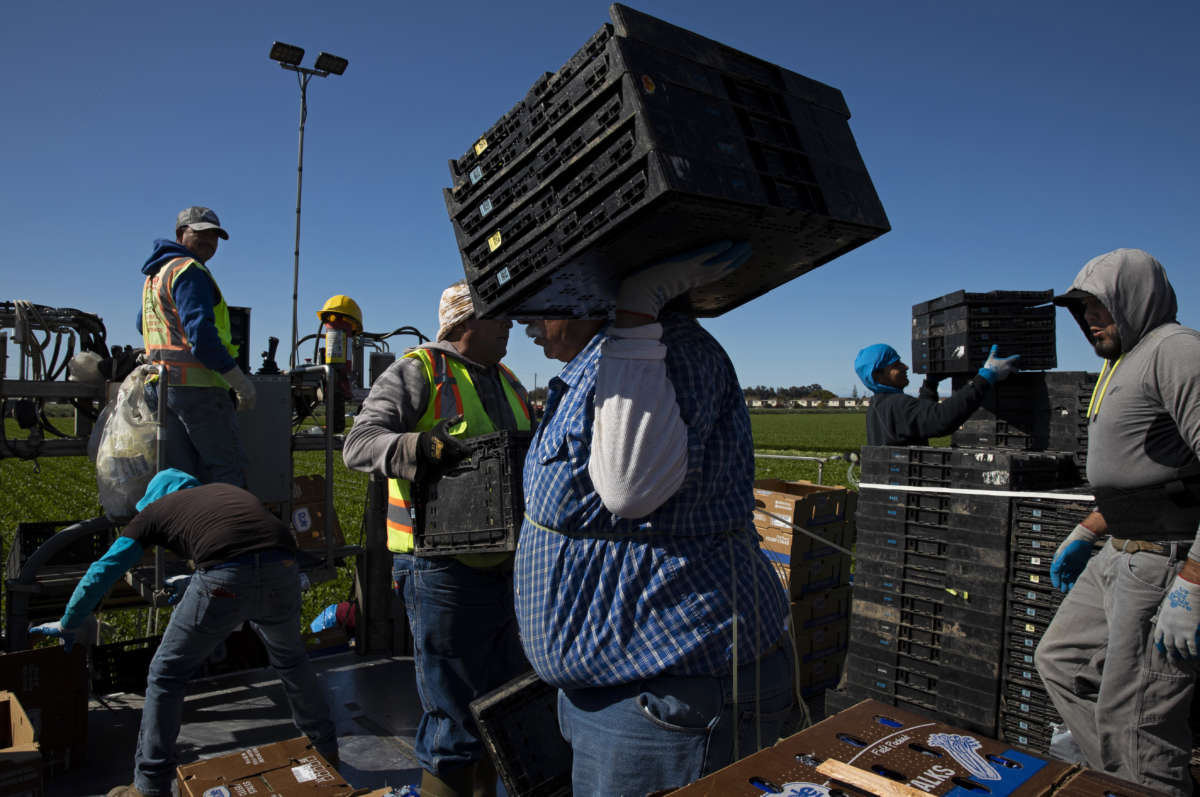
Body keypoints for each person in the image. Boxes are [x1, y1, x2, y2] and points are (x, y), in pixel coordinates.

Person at [516, 241, 797, 795]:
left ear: (592, 296)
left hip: (670, 695)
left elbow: (628, 489)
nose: (528, 323)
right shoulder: (607, 358)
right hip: (619, 690)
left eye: (544, 307)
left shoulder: (664, 350)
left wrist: (640, 308)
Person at [30, 468, 337, 797]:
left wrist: (70, 621)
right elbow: (252, 548)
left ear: (154, 498)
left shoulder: (154, 512)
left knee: (166, 674)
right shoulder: (223, 492)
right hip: (284, 569)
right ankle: (326, 753)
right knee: (291, 662)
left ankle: (149, 786)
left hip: (225, 579)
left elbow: (104, 569)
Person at [342, 281, 531, 797]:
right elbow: (359, 444)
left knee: (507, 706)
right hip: (441, 569)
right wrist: (419, 446)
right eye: (498, 317)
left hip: (508, 565)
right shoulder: (419, 370)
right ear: (464, 324)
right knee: (453, 715)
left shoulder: (510, 380)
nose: (510, 325)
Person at [1035, 248, 1200, 796]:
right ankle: (1117, 775)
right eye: (1079, 310)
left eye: (1098, 306)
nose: (1088, 320)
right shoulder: (1123, 363)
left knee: (1141, 725)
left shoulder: (1174, 351)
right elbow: (1145, 470)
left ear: (1134, 299)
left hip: (1161, 562)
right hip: (1119, 552)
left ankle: (1142, 777)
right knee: (1060, 661)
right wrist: (1091, 526)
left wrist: (1195, 582)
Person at [138, 206, 255, 486]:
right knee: (227, 473)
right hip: (199, 389)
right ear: (181, 234)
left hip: (162, 387)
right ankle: (229, 529)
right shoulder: (189, 271)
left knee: (181, 477)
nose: (209, 242)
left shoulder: (156, 275)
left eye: (215, 236)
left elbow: (143, 323)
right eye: (201, 233)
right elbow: (201, 338)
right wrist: (239, 381)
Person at [853, 343, 1019, 445]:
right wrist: (985, 377)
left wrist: (930, 385)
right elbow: (941, 418)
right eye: (896, 365)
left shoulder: (879, 404)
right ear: (878, 375)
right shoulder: (896, 404)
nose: (905, 367)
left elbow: (919, 419)